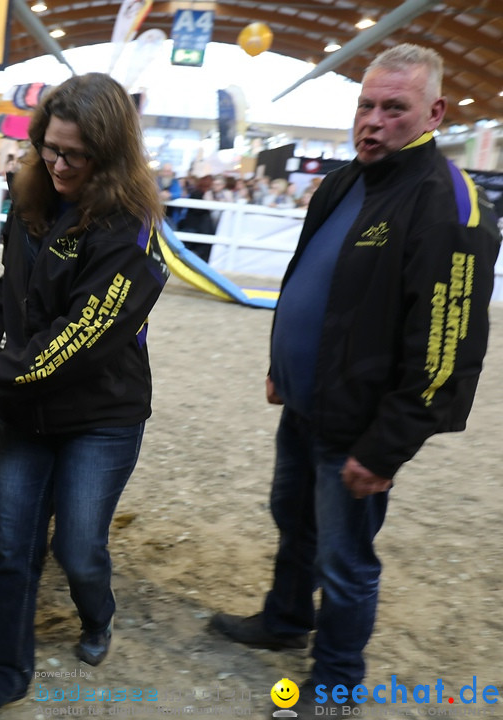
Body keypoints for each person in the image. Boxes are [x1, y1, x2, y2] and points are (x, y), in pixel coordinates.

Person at [208, 44, 500, 713]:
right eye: (365, 106)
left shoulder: (449, 205)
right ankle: (285, 619)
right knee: (293, 517)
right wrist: (283, 368)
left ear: (435, 112)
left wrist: (387, 446)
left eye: (393, 108)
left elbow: (447, 347)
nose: (372, 120)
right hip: (307, 402)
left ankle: (337, 678)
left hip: (362, 426)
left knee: (347, 560)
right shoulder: (346, 181)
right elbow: (313, 279)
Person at [0, 72, 169, 720]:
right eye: (50, 147)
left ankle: (98, 613)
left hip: (100, 416)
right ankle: (7, 675)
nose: (59, 163)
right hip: (25, 407)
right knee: (16, 547)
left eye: (75, 154)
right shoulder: (32, 195)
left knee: (77, 548)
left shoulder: (131, 231)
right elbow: (14, 274)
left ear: (110, 154)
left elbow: (75, 341)